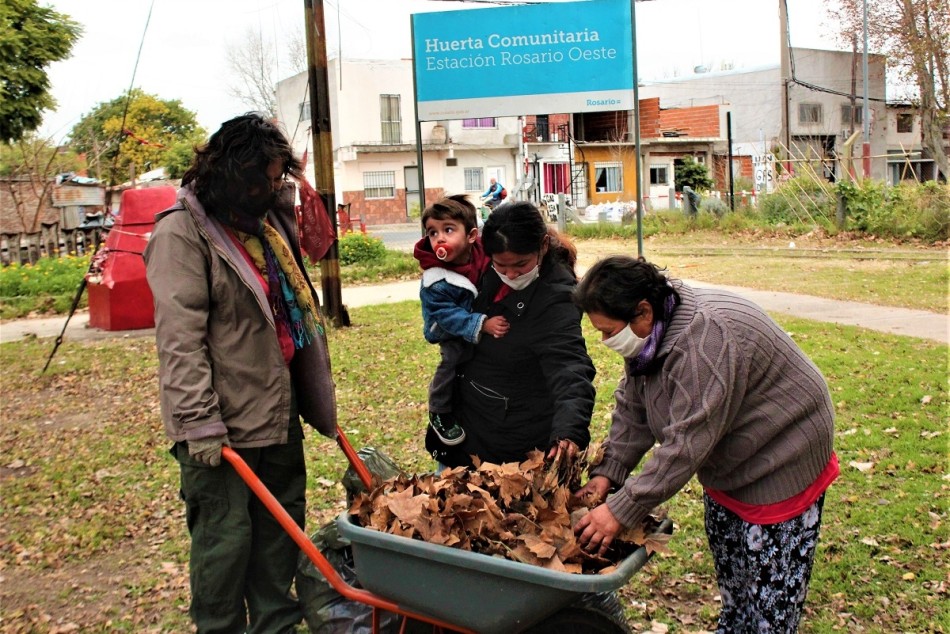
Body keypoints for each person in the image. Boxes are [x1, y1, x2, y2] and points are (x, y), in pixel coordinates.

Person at [144, 113, 338, 634]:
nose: (272, 187)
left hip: (276, 415)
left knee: (279, 546)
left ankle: (276, 627)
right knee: (225, 552)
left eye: (278, 178)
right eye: (264, 177)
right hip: (222, 428)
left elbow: (315, 255)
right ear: (230, 172)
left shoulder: (269, 224)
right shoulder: (182, 234)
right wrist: (199, 423)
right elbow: (180, 341)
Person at [572, 255, 838, 632]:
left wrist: (621, 510)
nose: (604, 340)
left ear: (642, 311)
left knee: (769, 605)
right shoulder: (653, 333)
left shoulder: (705, 341)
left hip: (783, 453)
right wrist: (608, 472)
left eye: (608, 330)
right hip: (730, 461)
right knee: (736, 586)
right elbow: (635, 403)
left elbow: (686, 444)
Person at [426, 200, 596, 468]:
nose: (511, 274)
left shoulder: (557, 298)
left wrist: (569, 430)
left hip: (514, 441)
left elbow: (570, 366)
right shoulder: (479, 268)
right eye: (501, 266)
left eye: (521, 264)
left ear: (542, 246)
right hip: (468, 424)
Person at [414, 195, 510, 447]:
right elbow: (448, 316)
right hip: (446, 328)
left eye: (448, 230)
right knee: (452, 359)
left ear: (471, 236)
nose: (440, 239)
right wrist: (483, 323)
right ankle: (439, 411)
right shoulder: (436, 279)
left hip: (472, 318)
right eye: (432, 233)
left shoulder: (480, 254)